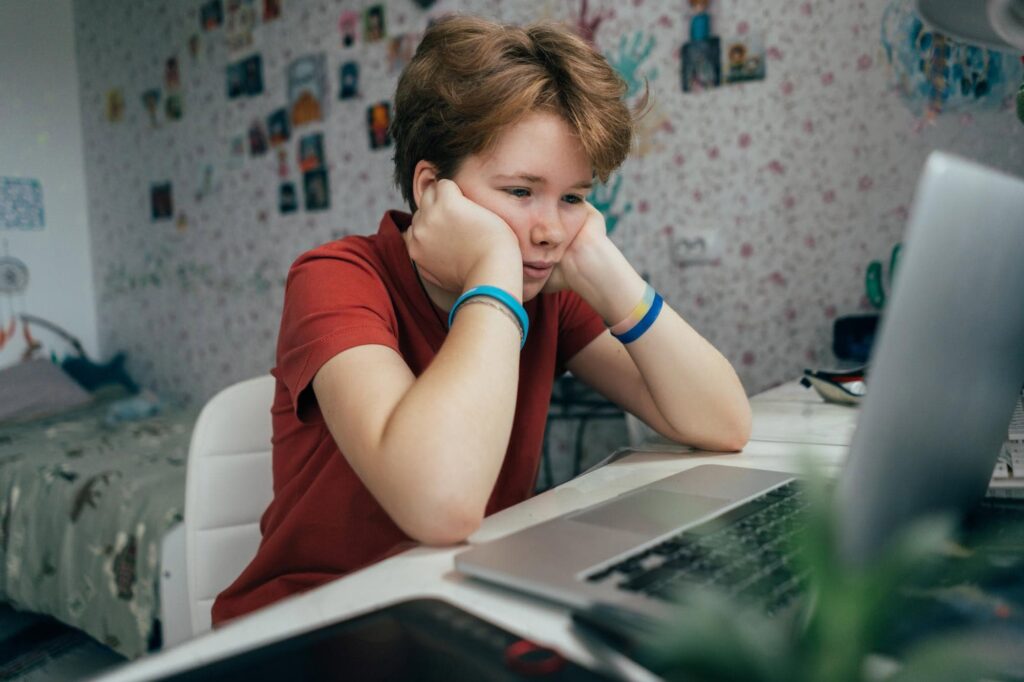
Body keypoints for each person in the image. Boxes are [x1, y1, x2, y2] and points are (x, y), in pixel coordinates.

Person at [212, 15, 751, 626]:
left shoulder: (545, 287)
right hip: (312, 624)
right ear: (431, 188)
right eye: (521, 192)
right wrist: (493, 265)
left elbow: (723, 422)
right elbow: (440, 504)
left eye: (573, 197)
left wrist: (607, 268)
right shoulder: (334, 277)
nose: (549, 231)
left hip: (457, 603)